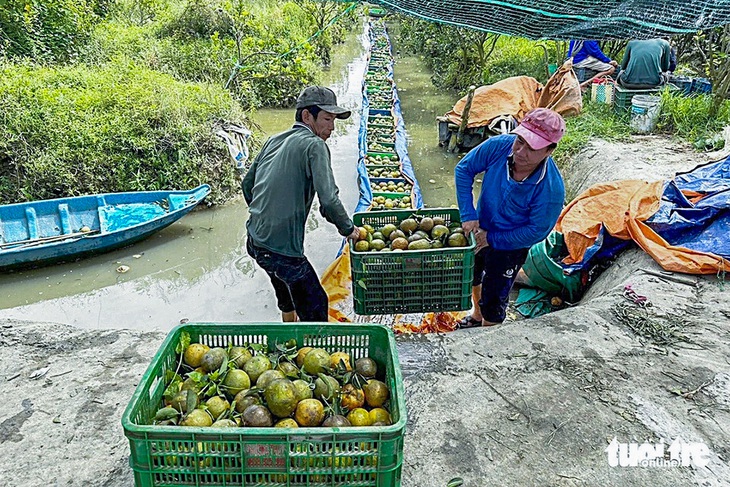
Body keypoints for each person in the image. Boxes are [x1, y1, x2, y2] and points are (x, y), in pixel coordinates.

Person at [242, 86, 360, 322]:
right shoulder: (315, 146)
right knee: (316, 305)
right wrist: (349, 229)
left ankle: (288, 343)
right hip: (282, 251)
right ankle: (311, 353)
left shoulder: (273, 141)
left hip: (255, 241)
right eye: (327, 119)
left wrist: (267, 214)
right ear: (307, 116)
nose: (332, 128)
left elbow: (248, 186)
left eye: (334, 120)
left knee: (286, 294)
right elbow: (328, 200)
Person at [454, 108, 566, 329]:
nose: (520, 151)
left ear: (549, 151)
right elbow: (464, 169)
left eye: (531, 147)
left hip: (511, 243)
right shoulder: (499, 146)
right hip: (480, 225)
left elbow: (536, 231)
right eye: (520, 141)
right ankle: (476, 316)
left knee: (496, 292)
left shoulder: (551, 190)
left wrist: (492, 239)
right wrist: (468, 215)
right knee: (473, 273)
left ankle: (488, 333)